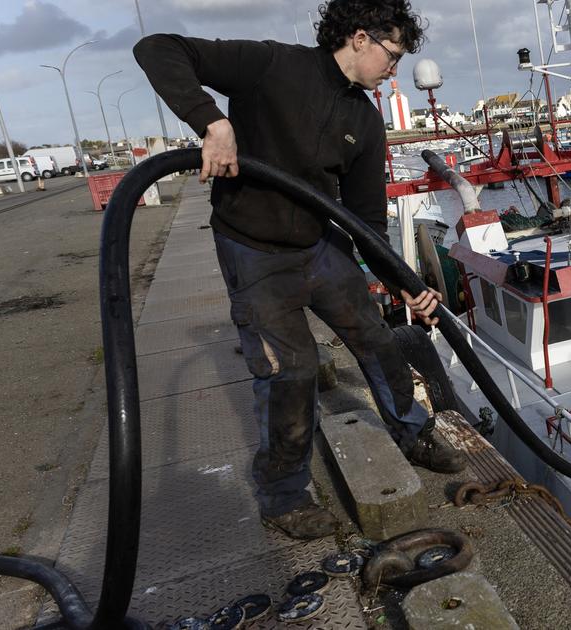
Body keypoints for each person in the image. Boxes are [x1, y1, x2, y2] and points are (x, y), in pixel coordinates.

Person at [134, 0, 466, 541]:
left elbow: (364, 221)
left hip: (319, 247)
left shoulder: (364, 118)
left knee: (376, 336)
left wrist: (409, 286)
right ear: (360, 37)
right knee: (291, 369)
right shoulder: (272, 65)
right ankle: (284, 495)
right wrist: (211, 122)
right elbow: (158, 48)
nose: (394, 69)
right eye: (393, 55)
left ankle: (413, 432)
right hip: (253, 249)